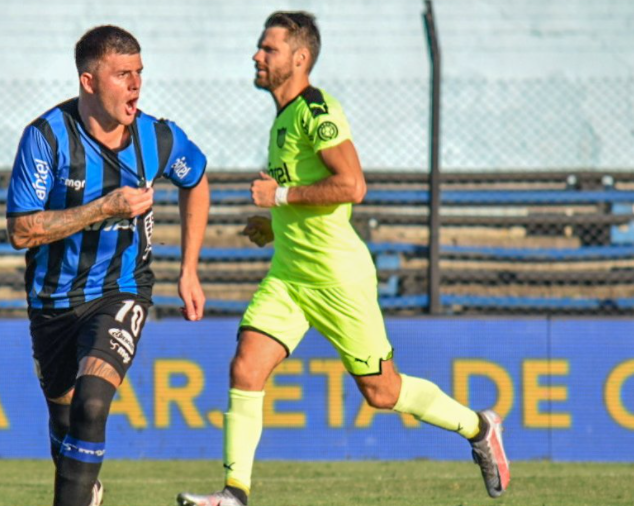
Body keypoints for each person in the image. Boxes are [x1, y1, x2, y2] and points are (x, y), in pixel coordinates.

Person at [176, 11, 508, 506]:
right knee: (246, 367)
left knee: (382, 393)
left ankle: (478, 426)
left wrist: (280, 199)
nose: (257, 55)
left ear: (300, 58)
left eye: (269, 49)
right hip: (290, 276)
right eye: (260, 47)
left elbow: (353, 185)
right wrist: (275, 224)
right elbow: (315, 196)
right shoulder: (283, 119)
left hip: (337, 279)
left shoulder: (316, 109)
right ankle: (234, 494)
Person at [6, 25, 210, 506]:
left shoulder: (157, 138)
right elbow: (21, 232)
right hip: (52, 301)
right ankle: (86, 490)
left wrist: (189, 269)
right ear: (89, 81)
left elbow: (196, 180)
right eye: (122, 74)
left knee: (93, 403)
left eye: (139, 72)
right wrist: (104, 208)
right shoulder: (46, 139)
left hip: (122, 290)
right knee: (66, 419)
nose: (136, 84)